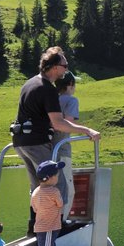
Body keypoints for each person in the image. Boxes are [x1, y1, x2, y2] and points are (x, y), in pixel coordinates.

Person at [12, 46, 100, 234]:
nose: (66, 69)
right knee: (57, 184)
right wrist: (87, 130)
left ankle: (34, 227)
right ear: (53, 67)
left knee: (37, 185)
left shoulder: (29, 83)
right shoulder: (47, 88)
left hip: (21, 141)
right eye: (64, 65)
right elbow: (59, 123)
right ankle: (57, 227)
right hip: (36, 142)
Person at [25, 160, 64, 246]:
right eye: (56, 175)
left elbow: (34, 208)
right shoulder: (54, 191)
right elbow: (60, 204)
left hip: (40, 227)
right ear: (49, 178)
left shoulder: (36, 191)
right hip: (49, 228)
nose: (58, 177)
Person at [54, 70, 79, 220]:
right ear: (70, 84)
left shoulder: (52, 100)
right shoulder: (71, 100)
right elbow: (68, 123)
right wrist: (87, 131)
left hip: (48, 149)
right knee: (68, 189)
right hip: (62, 149)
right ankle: (62, 222)